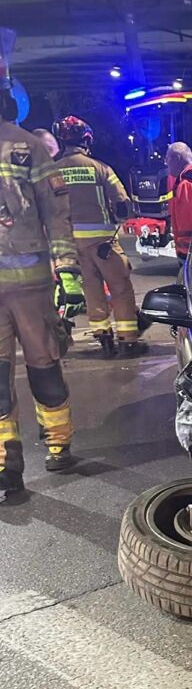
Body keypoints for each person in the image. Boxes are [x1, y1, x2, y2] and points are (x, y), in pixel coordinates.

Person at [0, 74, 78, 500]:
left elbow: (55, 214)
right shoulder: (28, 145)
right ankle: (17, 460)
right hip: (24, 287)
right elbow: (56, 215)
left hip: (29, 286)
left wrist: (67, 271)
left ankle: (48, 446)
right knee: (21, 375)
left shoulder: (27, 146)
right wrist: (67, 271)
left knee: (33, 372)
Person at [53, 115, 146, 357]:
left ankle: (103, 337)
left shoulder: (52, 172)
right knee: (120, 288)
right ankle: (128, 341)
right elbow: (123, 204)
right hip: (103, 242)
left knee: (91, 289)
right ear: (86, 140)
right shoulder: (101, 169)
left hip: (71, 243)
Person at [165, 142, 192, 269]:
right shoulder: (189, 177)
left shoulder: (186, 184)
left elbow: (188, 222)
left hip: (188, 251)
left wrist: (183, 251)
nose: (166, 163)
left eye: (167, 158)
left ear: (177, 158)